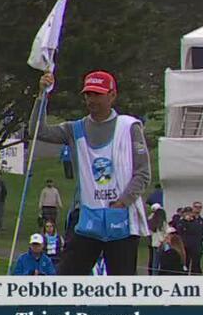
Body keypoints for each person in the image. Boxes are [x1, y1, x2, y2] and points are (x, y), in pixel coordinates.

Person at [38, 70, 151, 276]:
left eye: (97, 94)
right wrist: (42, 96)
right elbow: (39, 131)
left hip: (121, 219)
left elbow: (143, 173)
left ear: (112, 95)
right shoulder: (75, 129)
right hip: (87, 217)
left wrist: (122, 202)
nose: (91, 99)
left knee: (121, 287)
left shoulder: (129, 126)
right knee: (66, 280)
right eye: (88, 94)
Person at [145, 203, 167, 275]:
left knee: (155, 261)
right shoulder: (162, 222)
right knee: (160, 261)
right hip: (161, 243)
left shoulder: (151, 220)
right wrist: (163, 240)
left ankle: (153, 274)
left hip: (154, 243)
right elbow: (164, 232)